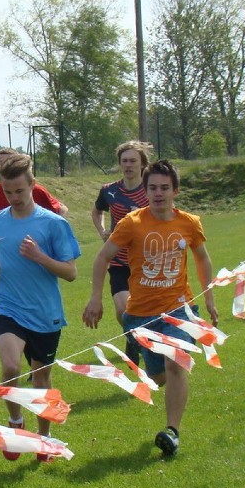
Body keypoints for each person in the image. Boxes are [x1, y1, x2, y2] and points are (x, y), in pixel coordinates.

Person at [83, 160, 217, 457]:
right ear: (146, 191)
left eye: (164, 188)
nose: (158, 193)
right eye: (153, 188)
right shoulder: (132, 222)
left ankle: (172, 431)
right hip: (140, 314)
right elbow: (102, 259)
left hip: (179, 309)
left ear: (175, 191)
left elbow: (203, 259)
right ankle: (166, 385)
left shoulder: (190, 223)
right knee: (157, 377)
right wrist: (96, 298)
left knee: (175, 363)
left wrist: (208, 297)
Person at [0, 154, 80, 460]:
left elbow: (71, 273)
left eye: (20, 191)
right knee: (10, 366)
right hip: (7, 306)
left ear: (33, 185)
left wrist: (40, 257)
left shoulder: (54, 224)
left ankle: (44, 439)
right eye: (8, 192)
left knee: (41, 379)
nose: (14, 197)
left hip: (45, 311)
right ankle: (15, 423)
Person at [90, 140, 152, 363]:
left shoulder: (152, 189)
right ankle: (132, 336)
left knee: (142, 308)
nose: (128, 165)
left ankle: (139, 339)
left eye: (133, 161)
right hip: (118, 259)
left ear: (142, 164)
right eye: (124, 161)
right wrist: (103, 231)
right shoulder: (109, 190)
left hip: (147, 260)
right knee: (123, 308)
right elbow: (96, 212)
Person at [0, 148, 68, 241]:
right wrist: (2, 222)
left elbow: (61, 210)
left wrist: (56, 235)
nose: (8, 167)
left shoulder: (36, 191)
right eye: (2, 164)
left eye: (19, 191)